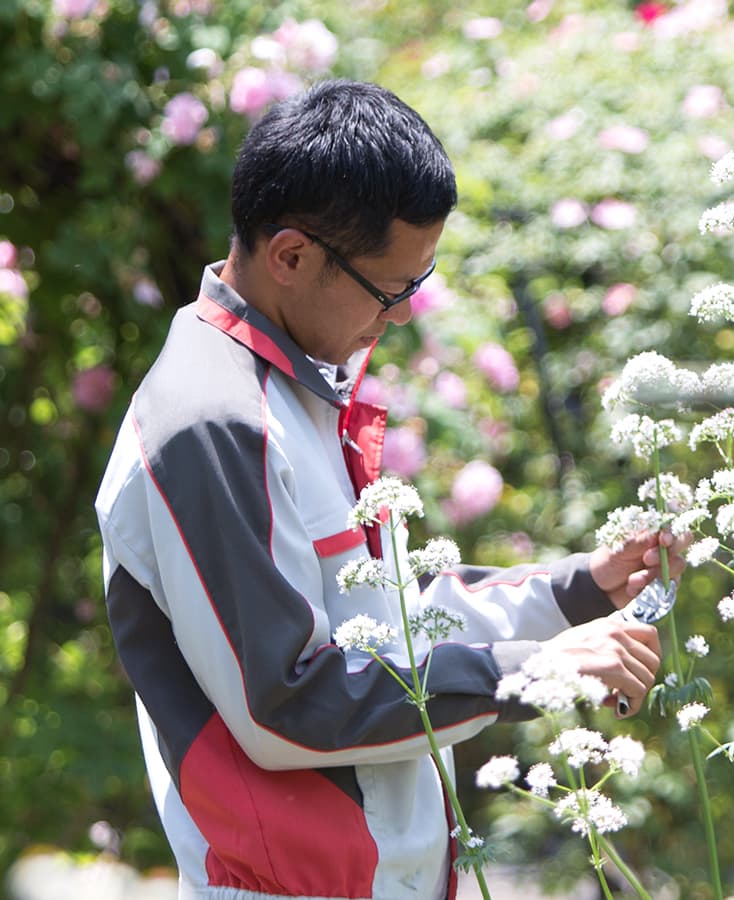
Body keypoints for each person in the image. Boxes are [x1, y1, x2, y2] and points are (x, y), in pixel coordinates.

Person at [94, 79, 681, 900]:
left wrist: (578, 591)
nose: (402, 316)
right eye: (390, 289)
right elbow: (285, 703)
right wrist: (530, 670)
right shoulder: (212, 421)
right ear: (291, 257)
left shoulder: (295, 379)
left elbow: (387, 621)